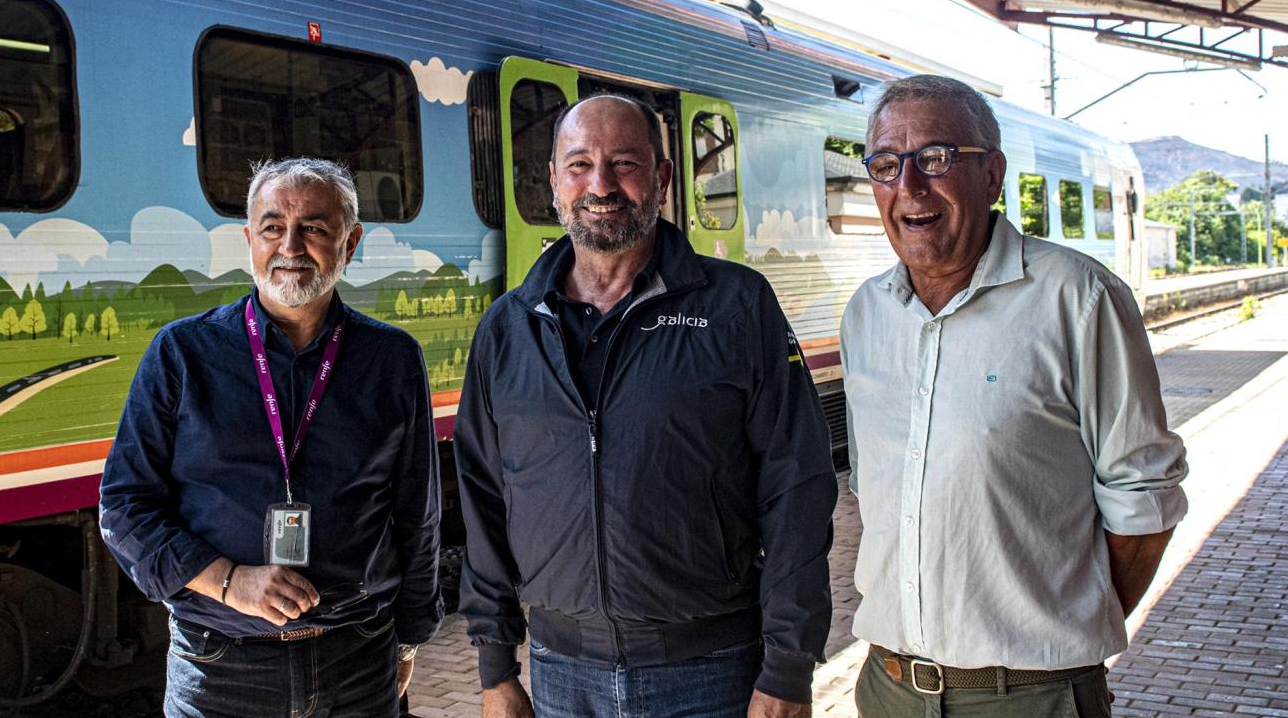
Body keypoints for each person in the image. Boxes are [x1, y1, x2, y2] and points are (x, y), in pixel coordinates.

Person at [455, 94, 836, 718]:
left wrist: (789, 667)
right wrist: (495, 664)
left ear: (661, 178)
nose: (599, 185)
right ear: (553, 182)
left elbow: (797, 486)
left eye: (623, 163)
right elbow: (483, 495)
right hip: (561, 677)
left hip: (710, 675)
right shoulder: (509, 327)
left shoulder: (736, 306)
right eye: (578, 164)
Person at [839, 75, 1187, 716]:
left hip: (1030, 695)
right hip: (886, 689)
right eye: (886, 165)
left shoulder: (1078, 299)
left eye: (936, 160)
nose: (909, 187)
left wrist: (1058, 631)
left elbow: (1145, 506)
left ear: (992, 174)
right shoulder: (866, 314)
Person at [99, 157, 442, 718]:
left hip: (356, 660)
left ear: (349, 242)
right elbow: (124, 505)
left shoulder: (391, 359)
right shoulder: (182, 354)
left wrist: (408, 637)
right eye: (272, 227)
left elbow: (415, 513)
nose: (291, 246)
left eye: (314, 227)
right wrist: (231, 583)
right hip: (219, 668)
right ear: (248, 240)